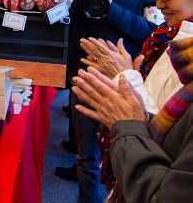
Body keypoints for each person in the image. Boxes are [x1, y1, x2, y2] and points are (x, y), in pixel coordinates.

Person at [76, 0, 193, 200]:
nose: (159, 3)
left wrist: (125, 79)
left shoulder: (177, 42)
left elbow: (155, 116)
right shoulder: (175, 36)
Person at [55, 0, 154, 203]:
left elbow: (149, 32)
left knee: (123, 153)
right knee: (86, 154)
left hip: (122, 78)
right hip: (86, 72)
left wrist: (112, 10)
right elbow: (76, 23)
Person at [71, 32, 193, 203]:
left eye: (168, 1)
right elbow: (173, 132)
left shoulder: (179, 42)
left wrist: (130, 125)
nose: (159, 4)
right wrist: (143, 119)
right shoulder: (176, 42)